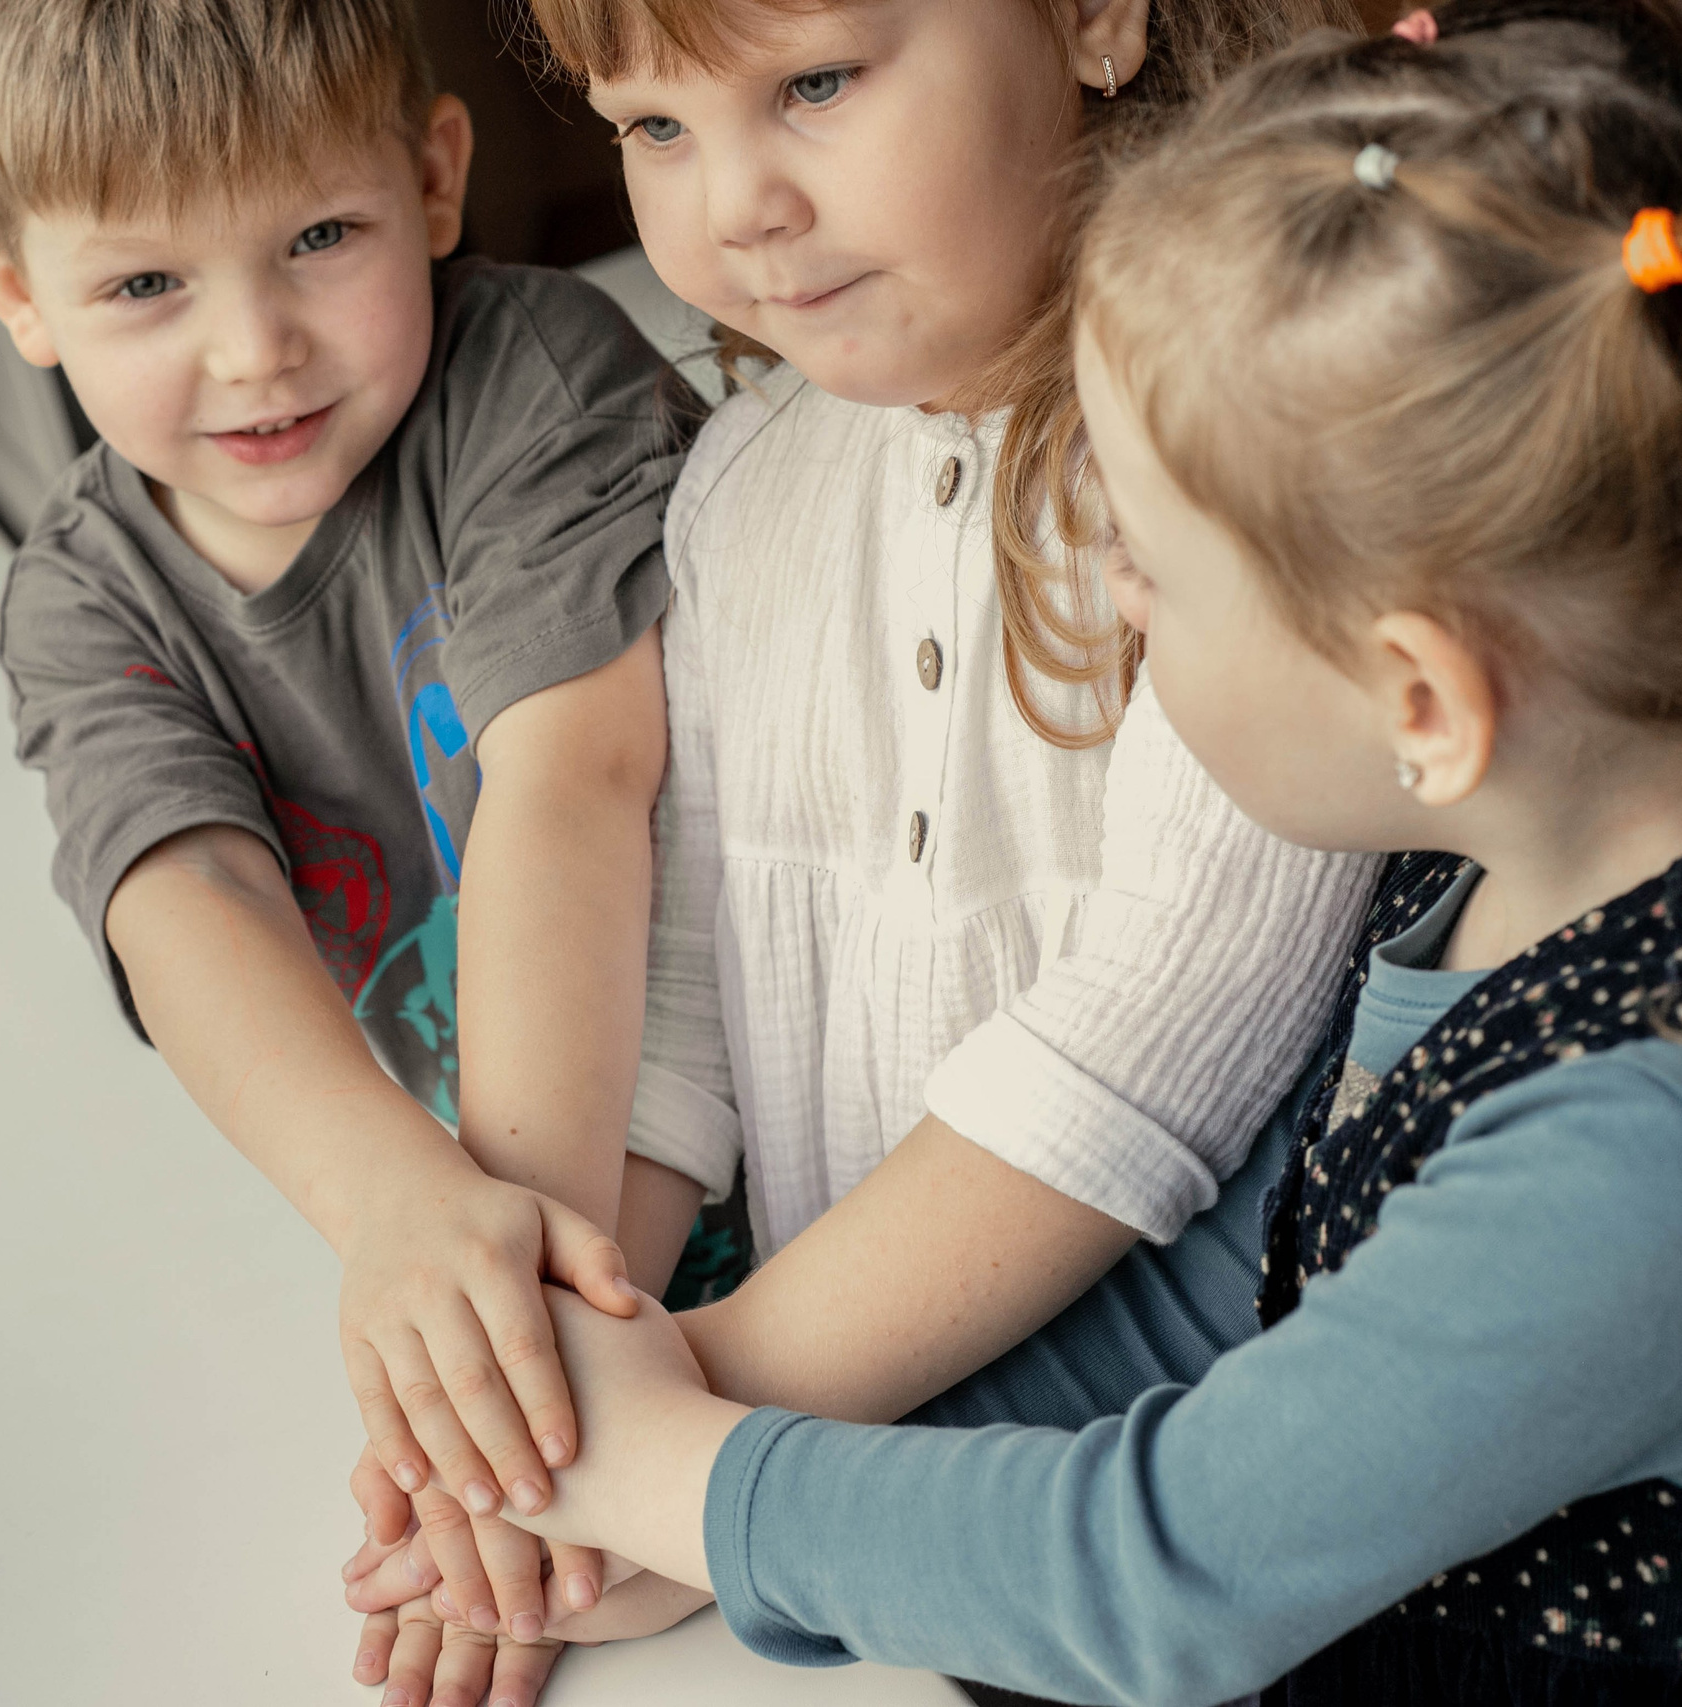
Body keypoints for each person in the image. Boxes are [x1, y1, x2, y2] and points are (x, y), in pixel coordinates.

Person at [472, 3, 1682, 1700]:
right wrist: (725, 1487)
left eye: (1155, 573)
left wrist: (674, 1478)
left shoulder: (1677, 1159)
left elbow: (1151, 1574)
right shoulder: (1478, 866)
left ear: (1418, 697)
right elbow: (1243, 1287)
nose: (1109, 592)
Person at [344, 0, 1383, 1698]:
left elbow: (1149, 1053)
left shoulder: (1248, 460)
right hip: (833, 1516)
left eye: (815, 84)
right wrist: (539, 1410)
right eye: (655, 127)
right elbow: (687, 1000)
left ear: (1094, 20)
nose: (734, 206)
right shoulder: (741, 486)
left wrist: (682, 1444)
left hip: (1167, 1545)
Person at [0, 1, 715, 1686]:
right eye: (148, 283)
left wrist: (502, 1375)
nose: (255, 349)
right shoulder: (78, 602)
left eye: (317, 239)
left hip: (749, 1112)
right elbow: (184, 895)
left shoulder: (535, 379)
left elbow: (574, 787)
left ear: (434, 179)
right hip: (528, 1215)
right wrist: (402, 1217)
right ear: (13, 291)